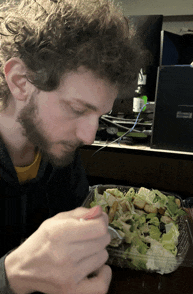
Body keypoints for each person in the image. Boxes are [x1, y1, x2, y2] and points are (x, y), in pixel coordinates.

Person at [0, 0, 144, 293]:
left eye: (99, 115)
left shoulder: (57, 153)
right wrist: (11, 276)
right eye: (77, 109)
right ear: (20, 81)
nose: (89, 136)